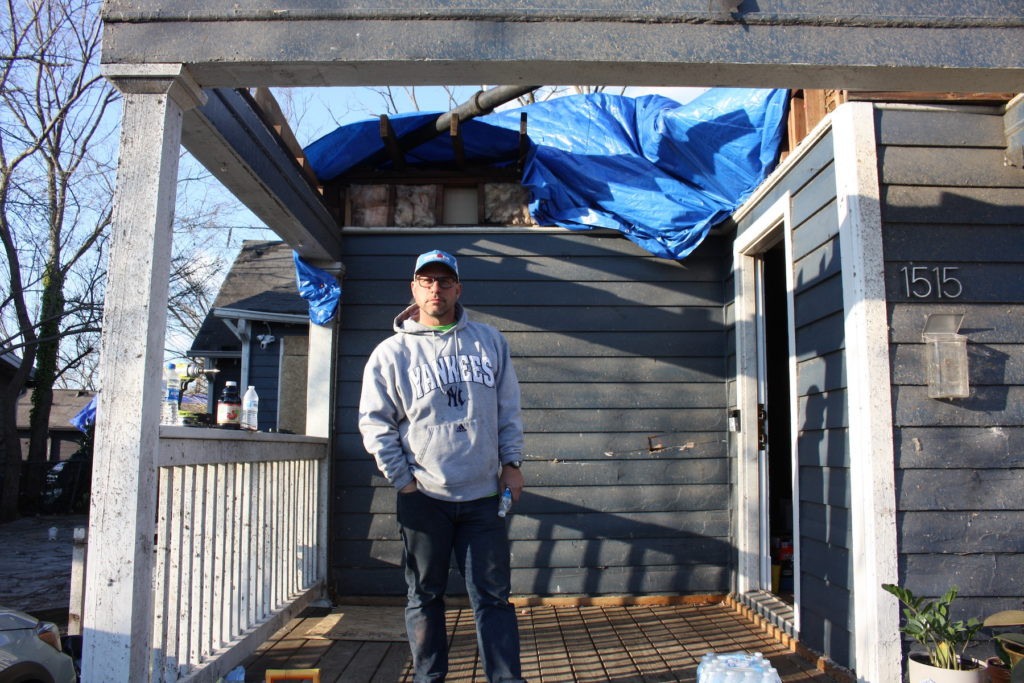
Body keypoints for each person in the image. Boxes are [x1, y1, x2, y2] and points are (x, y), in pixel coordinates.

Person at [358, 249, 526, 683]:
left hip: (485, 497)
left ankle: (506, 679)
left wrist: (512, 464)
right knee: (423, 596)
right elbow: (375, 424)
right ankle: (428, 679)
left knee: (493, 598)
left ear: (458, 288)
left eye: (445, 281)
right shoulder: (391, 353)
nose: (437, 289)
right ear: (413, 289)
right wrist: (403, 481)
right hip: (424, 499)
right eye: (427, 281)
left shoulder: (490, 341)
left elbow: (508, 410)